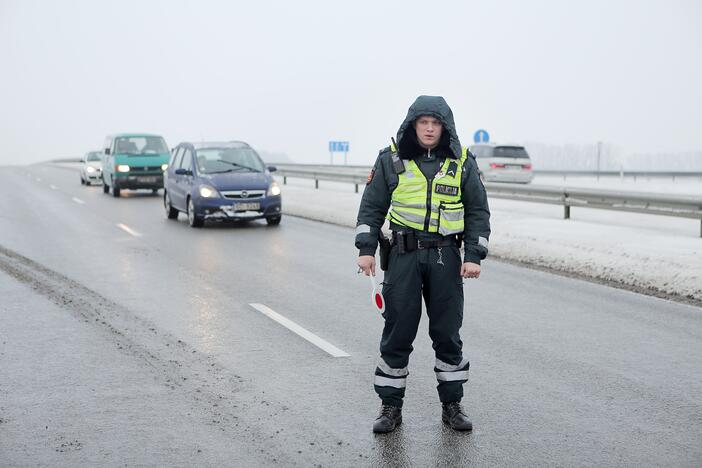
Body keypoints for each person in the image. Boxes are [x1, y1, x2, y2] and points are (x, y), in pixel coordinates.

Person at [355, 95, 491, 433]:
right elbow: (371, 207)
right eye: (423, 122)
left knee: (447, 333)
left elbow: (478, 212)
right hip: (403, 256)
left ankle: (452, 406)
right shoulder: (390, 160)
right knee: (397, 330)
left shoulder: (462, 162)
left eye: (435, 123)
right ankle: (389, 408)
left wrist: (473, 255)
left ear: (444, 127)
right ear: (413, 125)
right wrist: (366, 248)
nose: (429, 129)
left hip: (446, 257)